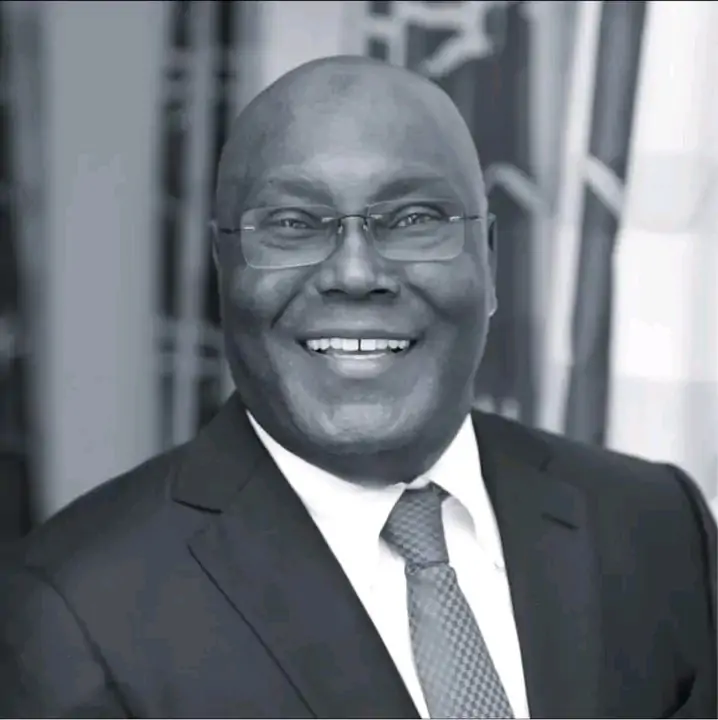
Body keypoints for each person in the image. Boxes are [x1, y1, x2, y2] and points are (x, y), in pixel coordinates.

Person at [0, 56, 715, 719]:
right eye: (292, 224)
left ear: (490, 262)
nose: (355, 273)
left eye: (413, 220)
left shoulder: (658, 525)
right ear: (224, 269)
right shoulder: (72, 613)